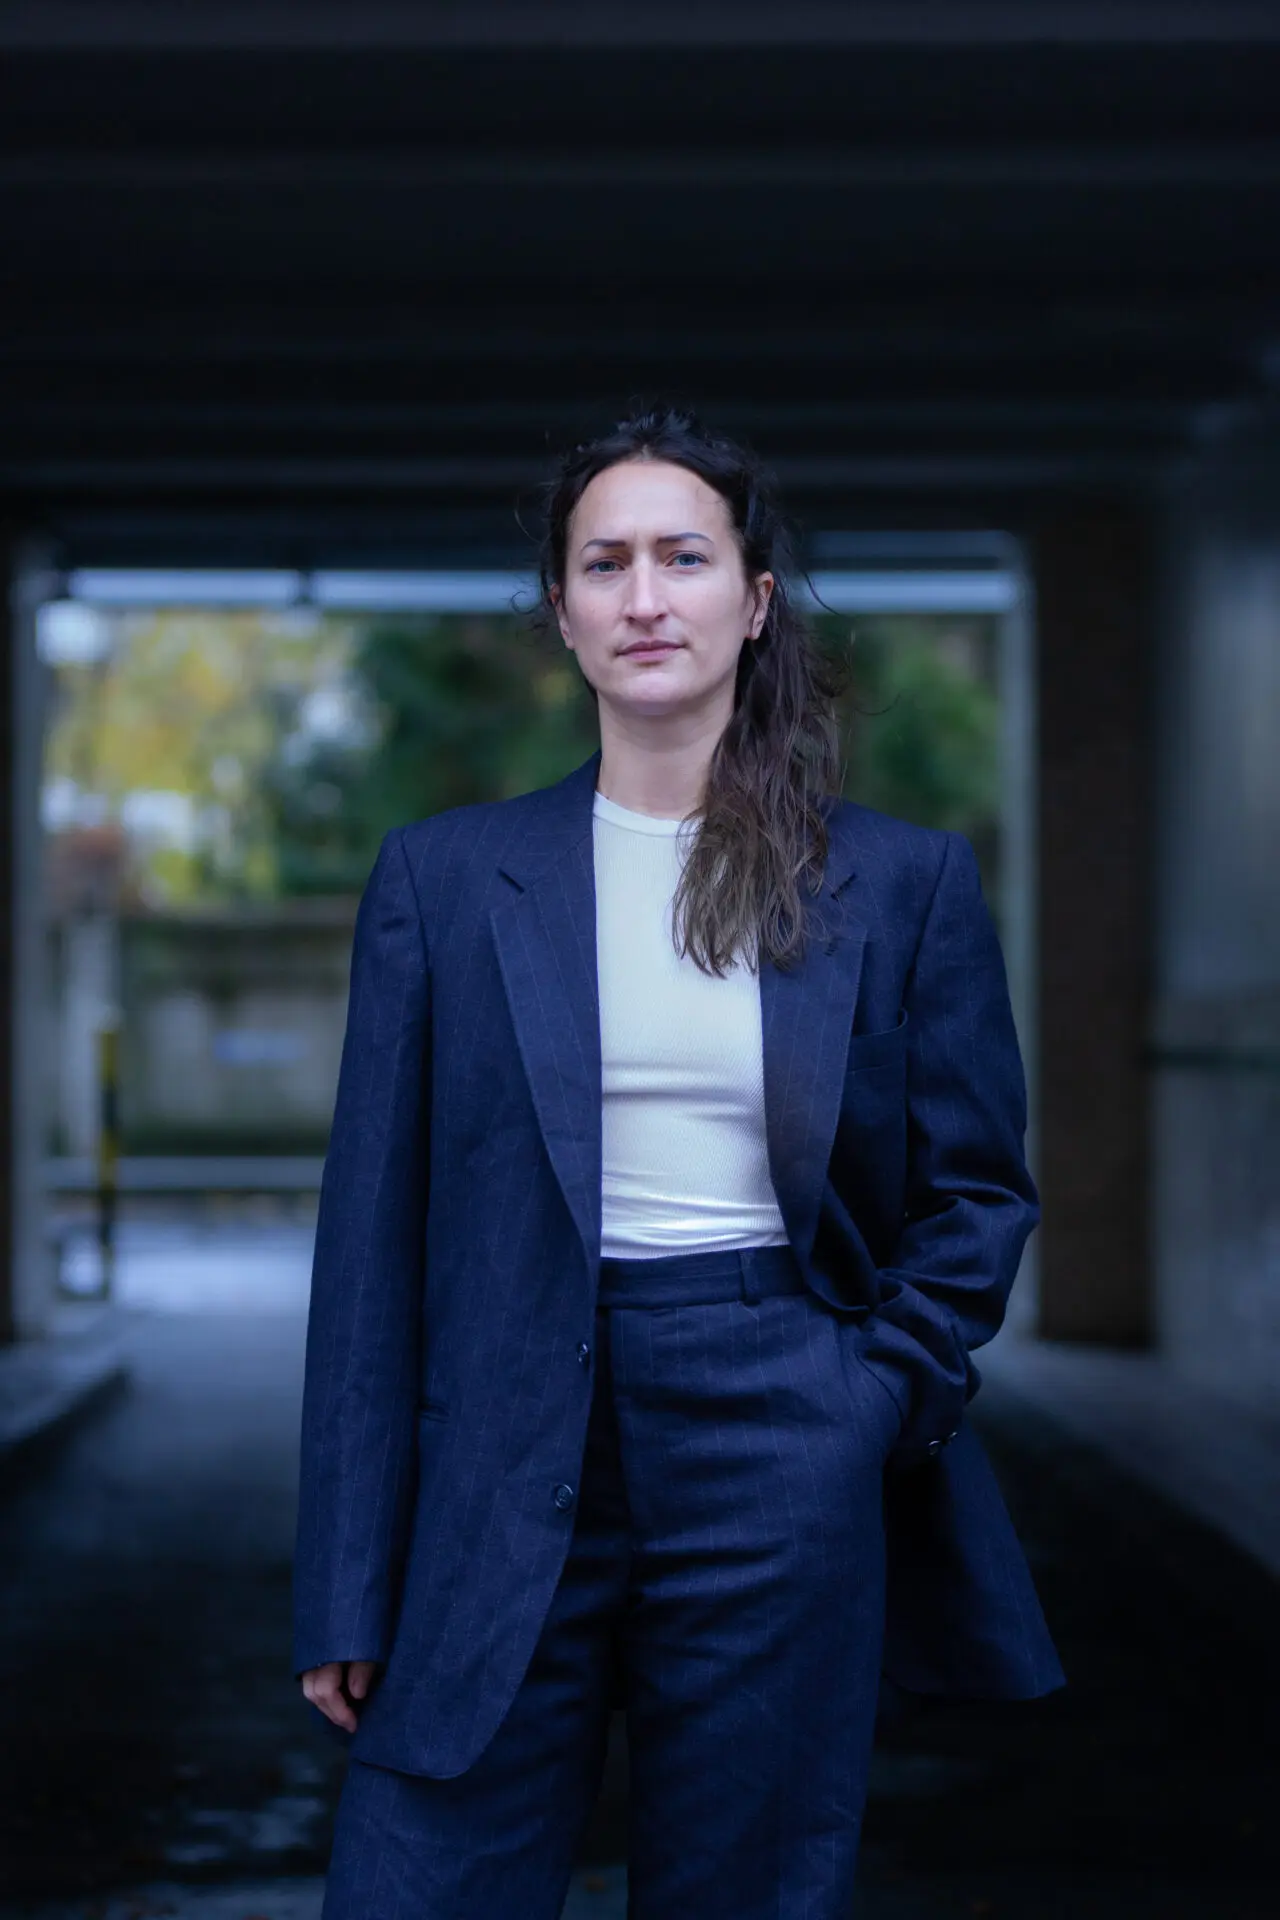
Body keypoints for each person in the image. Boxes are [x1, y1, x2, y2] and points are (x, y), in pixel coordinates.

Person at [293, 405, 1063, 1918]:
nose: (646, 596)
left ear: (752, 601)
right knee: (419, 1878)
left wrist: (868, 1397)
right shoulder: (446, 883)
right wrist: (343, 1576)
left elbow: (977, 1192)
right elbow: (369, 1253)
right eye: (606, 563)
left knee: (751, 1883)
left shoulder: (898, 883)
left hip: (779, 1424)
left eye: (684, 557)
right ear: (563, 614)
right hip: (502, 1435)